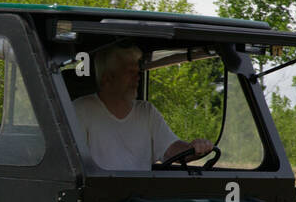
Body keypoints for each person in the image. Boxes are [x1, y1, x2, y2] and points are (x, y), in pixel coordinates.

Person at [71, 44, 214, 170]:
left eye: (137, 71)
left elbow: (170, 150)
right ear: (108, 78)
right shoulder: (81, 109)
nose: (137, 77)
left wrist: (193, 148)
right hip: (98, 197)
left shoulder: (146, 111)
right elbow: (73, 164)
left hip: (141, 196)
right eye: (130, 72)